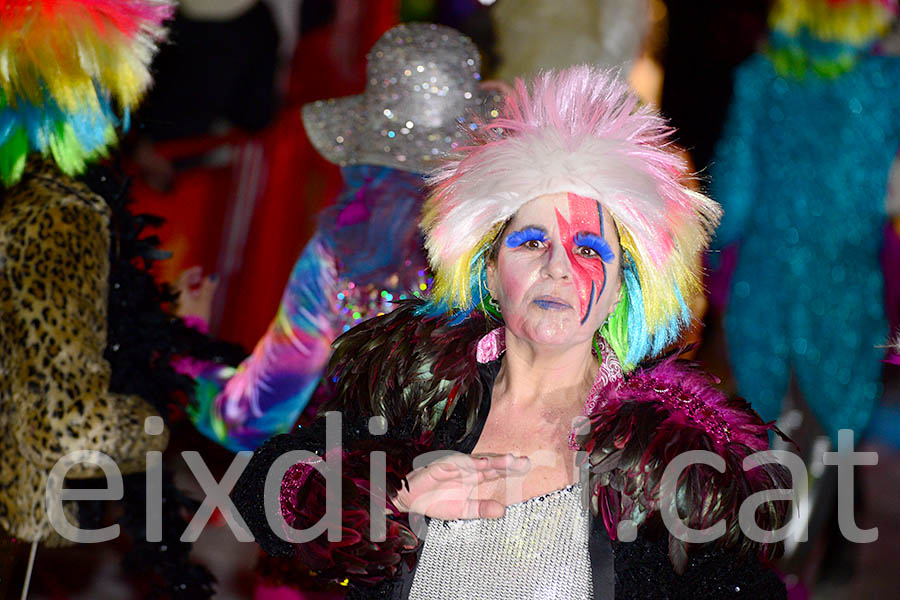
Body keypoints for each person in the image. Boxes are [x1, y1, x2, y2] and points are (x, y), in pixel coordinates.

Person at [233, 67, 789, 598]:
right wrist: (383, 497)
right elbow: (259, 490)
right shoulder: (414, 391)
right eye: (530, 242)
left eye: (590, 249)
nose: (558, 267)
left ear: (624, 288)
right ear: (490, 272)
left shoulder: (671, 453)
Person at [182, 23, 502, 453]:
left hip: (358, 498)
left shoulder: (338, 257)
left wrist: (188, 348)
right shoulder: (510, 248)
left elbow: (252, 417)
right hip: (492, 494)